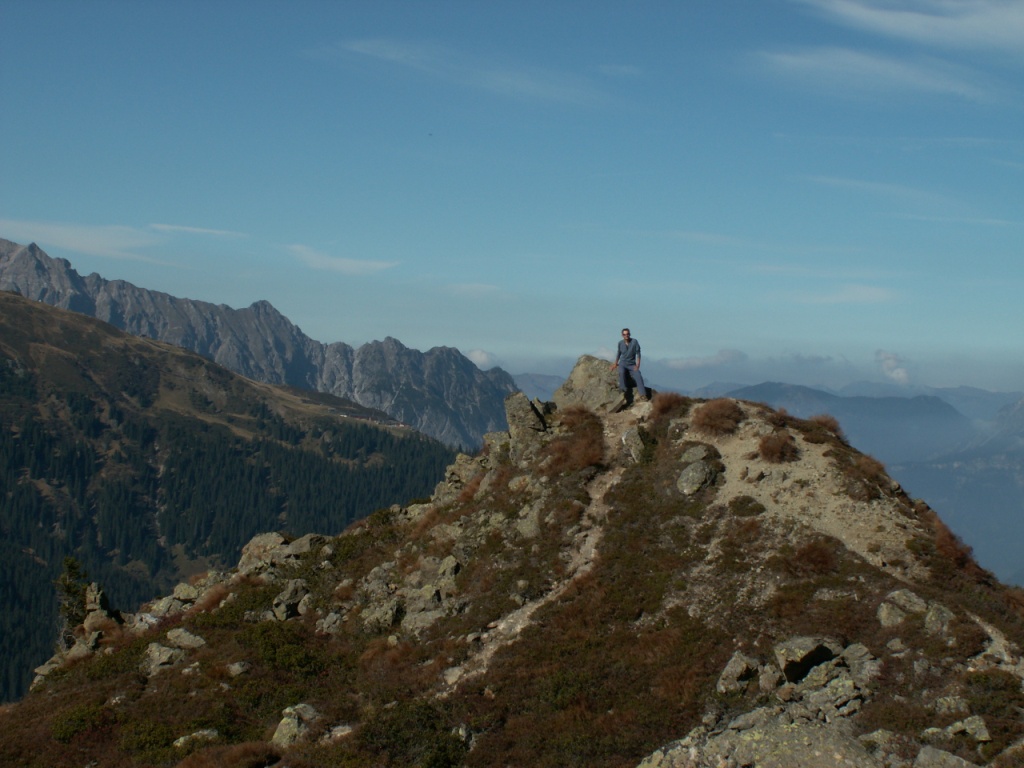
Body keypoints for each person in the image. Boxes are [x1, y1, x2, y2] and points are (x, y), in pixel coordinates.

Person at [610, 328, 648, 401]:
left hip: (631, 364)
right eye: (624, 334)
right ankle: (623, 391)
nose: (626, 335)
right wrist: (615, 363)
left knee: (638, 375)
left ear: (629, 334)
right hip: (622, 363)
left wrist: (638, 365)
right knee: (621, 372)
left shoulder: (634, 342)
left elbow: (638, 354)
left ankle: (643, 395)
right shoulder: (620, 343)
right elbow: (618, 353)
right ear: (622, 335)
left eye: (627, 334)